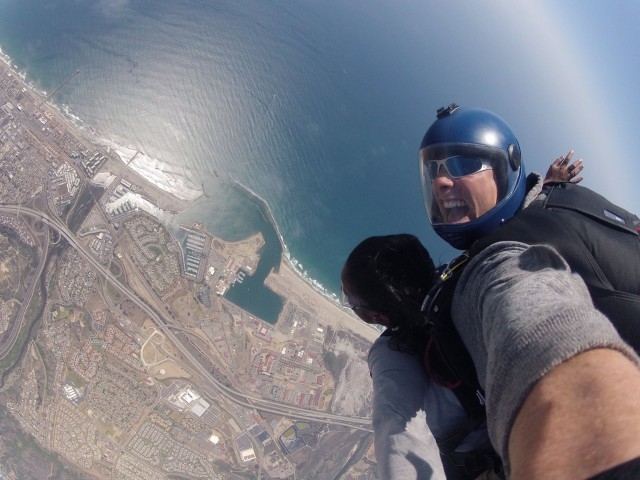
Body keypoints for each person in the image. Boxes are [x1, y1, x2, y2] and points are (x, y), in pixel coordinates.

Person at [412, 104, 640, 477]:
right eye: (434, 170)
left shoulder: (494, 267)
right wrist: (547, 184)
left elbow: (529, 316)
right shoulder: (562, 205)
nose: (439, 182)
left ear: (504, 171)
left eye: (462, 164)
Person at [342, 151, 587, 480]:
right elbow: (508, 237)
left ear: (378, 316)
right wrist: (546, 187)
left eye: (351, 301)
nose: (350, 304)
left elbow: (398, 429)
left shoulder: (390, 354)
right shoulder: (467, 279)